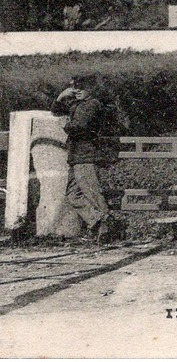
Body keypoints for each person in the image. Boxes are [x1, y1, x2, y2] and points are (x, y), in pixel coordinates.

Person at [51, 74, 113, 242]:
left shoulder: (91, 105)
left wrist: (65, 126)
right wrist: (60, 96)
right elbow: (56, 111)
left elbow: (79, 126)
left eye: (81, 87)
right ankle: (98, 222)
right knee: (73, 195)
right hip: (77, 156)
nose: (77, 90)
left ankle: (107, 229)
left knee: (92, 193)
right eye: (74, 87)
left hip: (85, 155)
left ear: (91, 90)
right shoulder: (79, 104)